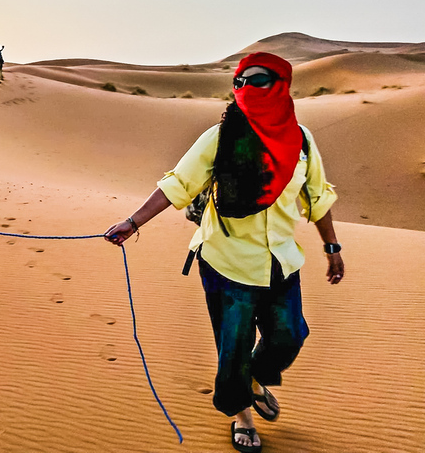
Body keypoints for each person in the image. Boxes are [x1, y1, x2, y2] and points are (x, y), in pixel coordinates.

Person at [104, 52, 345, 453]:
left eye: (259, 79)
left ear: (282, 84)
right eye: (241, 81)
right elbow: (179, 183)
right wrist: (133, 222)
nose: (248, 87)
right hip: (225, 262)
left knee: (289, 337)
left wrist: (332, 245)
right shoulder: (220, 137)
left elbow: (317, 196)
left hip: (281, 261)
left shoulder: (301, 141)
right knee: (232, 348)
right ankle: (242, 415)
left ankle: (253, 381)